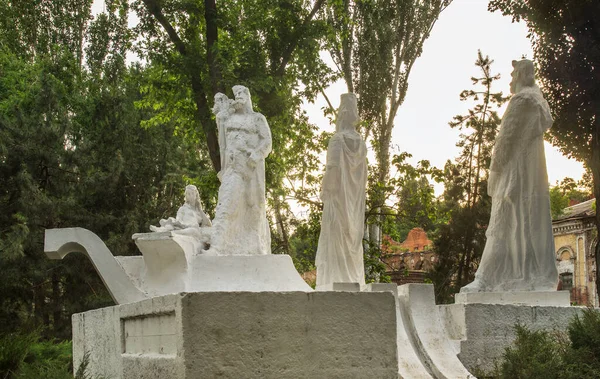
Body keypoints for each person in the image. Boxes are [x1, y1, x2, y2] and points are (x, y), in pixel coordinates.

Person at [461, 59, 558, 293]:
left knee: (501, 223)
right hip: (531, 176)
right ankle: (528, 277)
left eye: (513, 74)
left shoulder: (521, 100)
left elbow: (504, 140)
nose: (510, 79)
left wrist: (493, 173)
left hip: (514, 173)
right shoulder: (538, 102)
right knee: (526, 224)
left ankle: (485, 279)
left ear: (523, 75)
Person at [209, 86, 272, 255]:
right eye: (236, 94)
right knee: (226, 202)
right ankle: (217, 246)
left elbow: (267, 141)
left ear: (248, 96)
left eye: (241, 93)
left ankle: (254, 245)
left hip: (250, 168)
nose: (238, 97)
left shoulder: (257, 119)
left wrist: (257, 154)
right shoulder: (228, 119)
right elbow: (223, 142)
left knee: (253, 206)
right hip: (233, 168)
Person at [316, 93, 368, 286]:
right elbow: (363, 175)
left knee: (336, 236)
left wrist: (325, 192)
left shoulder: (337, 140)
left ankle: (335, 279)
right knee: (352, 237)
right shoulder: (361, 144)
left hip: (338, 201)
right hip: (354, 203)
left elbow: (333, 170)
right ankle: (352, 279)